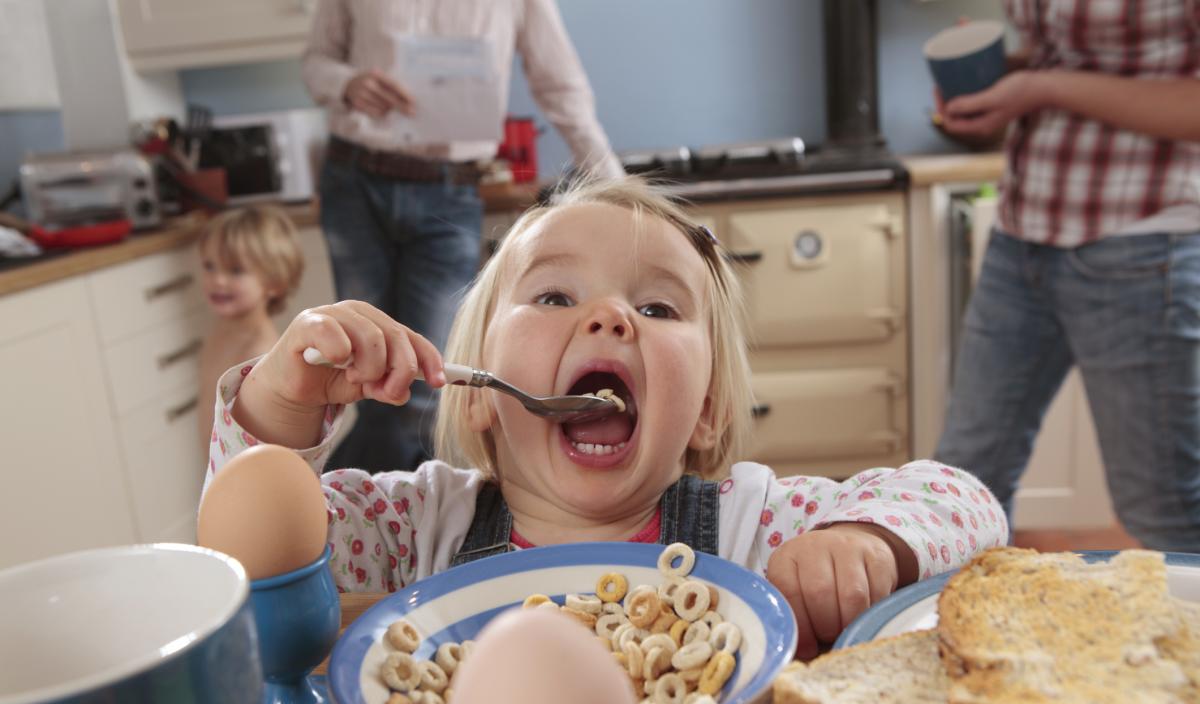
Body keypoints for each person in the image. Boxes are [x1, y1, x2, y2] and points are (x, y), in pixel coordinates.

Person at [206, 175, 1006, 659]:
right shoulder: (414, 527)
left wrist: (864, 543)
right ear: (476, 387)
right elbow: (252, 561)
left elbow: (964, 503)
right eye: (555, 296)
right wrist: (277, 407)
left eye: (657, 306)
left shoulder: (755, 527)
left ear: (706, 411)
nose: (610, 318)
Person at [301, 0, 623, 475]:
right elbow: (315, 63)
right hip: (354, 183)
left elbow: (562, 88)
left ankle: (329, 504)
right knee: (365, 372)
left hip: (448, 192)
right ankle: (379, 521)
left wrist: (616, 190)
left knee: (419, 389)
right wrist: (346, 84)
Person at [933, 1, 1200, 553]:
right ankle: (961, 633)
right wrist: (1005, 75)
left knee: (1165, 508)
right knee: (960, 482)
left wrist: (1041, 88)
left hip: (1143, 239)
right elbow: (1098, 50)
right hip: (1022, 230)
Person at [197, 205, 304, 447]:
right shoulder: (221, 332)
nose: (218, 280)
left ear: (275, 282)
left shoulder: (262, 352)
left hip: (251, 474)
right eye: (209, 266)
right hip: (220, 468)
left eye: (236, 270)